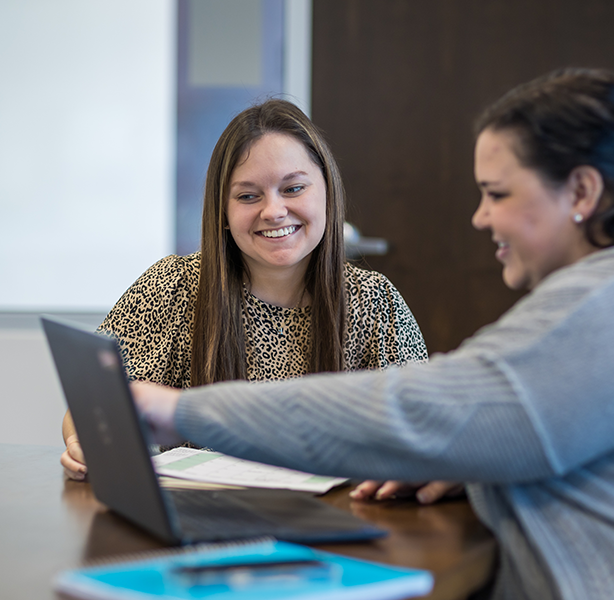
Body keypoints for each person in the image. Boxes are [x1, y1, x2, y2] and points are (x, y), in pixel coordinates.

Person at [131, 69, 614, 599]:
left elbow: (425, 409)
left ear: (582, 191)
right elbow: (518, 419)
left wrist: (181, 411)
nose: (481, 216)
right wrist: (474, 458)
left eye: (497, 194)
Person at [60, 99, 431, 489]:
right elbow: (89, 408)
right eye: (248, 196)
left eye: (293, 188)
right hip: (200, 520)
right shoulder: (172, 285)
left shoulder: (376, 302)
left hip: (336, 523)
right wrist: (83, 438)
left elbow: (425, 431)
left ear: (327, 191)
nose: (273, 211)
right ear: (222, 209)